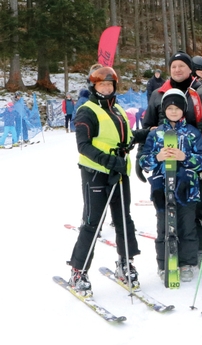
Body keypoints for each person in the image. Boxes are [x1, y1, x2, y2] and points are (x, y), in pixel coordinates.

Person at [67, 64, 141, 296]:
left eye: (110, 84)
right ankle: (78, 271)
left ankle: (125, 262)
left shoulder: (116, 109)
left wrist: (145, 133)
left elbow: (125, 139)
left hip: (119, 173)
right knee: (93, 222)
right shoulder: (86, 111)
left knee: (123, 219)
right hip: (96, 174)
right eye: (102, 85)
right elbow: (83, 145)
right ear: (94, 86)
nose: (107, 88)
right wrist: (109, 161)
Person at [142, 51, 202, 269]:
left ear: (190, 69)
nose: (177, 70)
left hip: (192, 168)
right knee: (165, 222)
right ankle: (166, 261)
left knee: (196, 213)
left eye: (182, 66)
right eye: (174, 66)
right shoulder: (158, 93)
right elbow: (148, 129)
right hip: (164, 175)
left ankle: (197, 254)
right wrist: (147, 159)